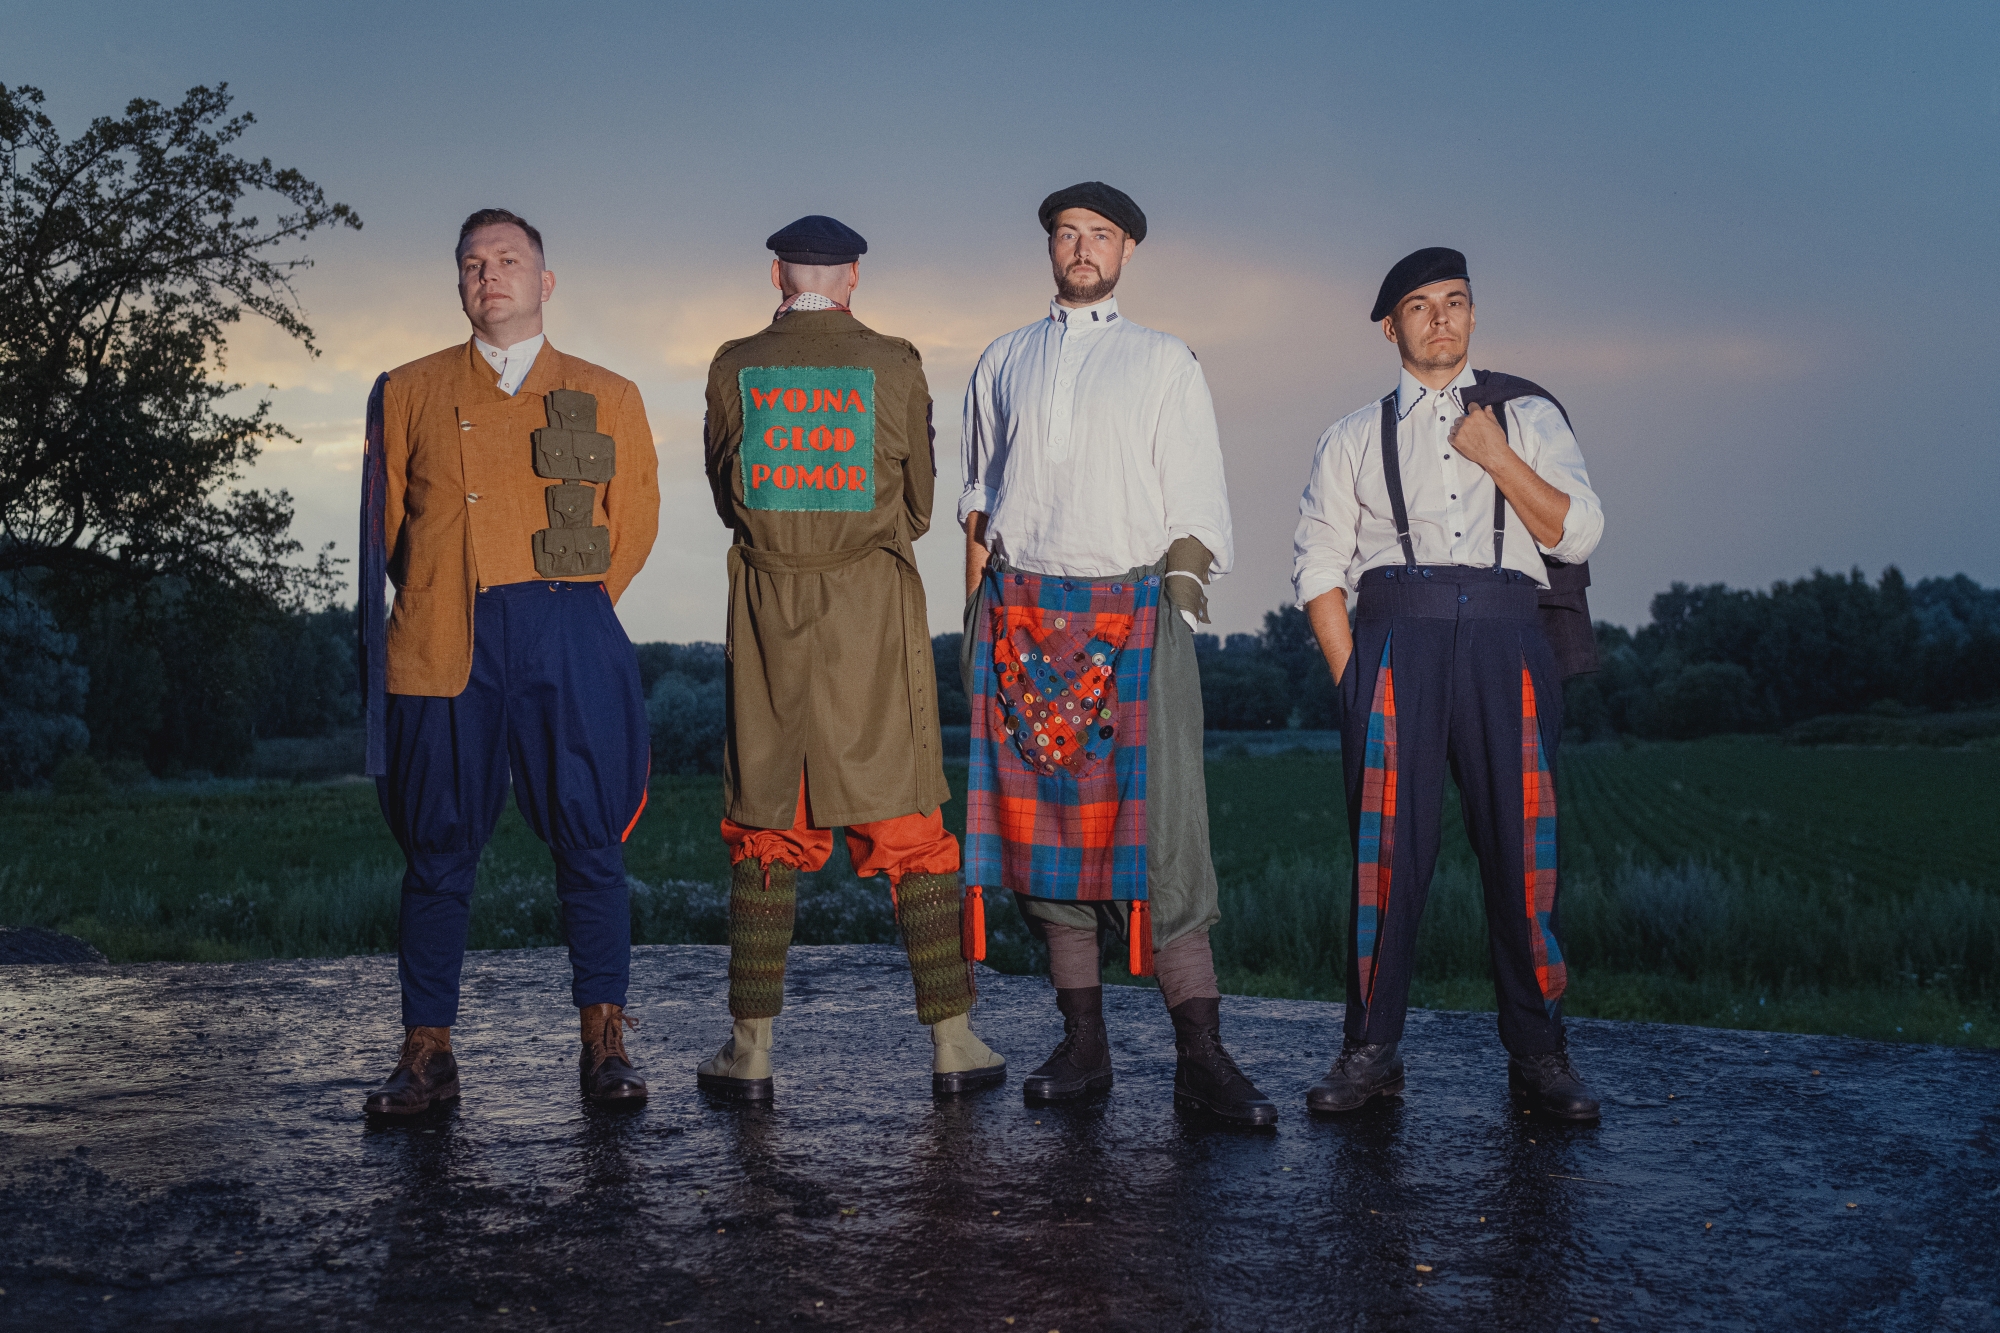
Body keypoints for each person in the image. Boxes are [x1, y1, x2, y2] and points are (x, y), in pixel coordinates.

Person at [959, 182, 1276, 1127]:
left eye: (1100, 235)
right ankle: (1084, 1044)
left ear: (1128, 249)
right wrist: (969, 620)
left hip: (1132, 620)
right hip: (1016, 614)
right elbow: (980, 499)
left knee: (1166, 838)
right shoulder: (1003, 358)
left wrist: (1170, 620)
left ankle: (1201, 1056)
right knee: (1043, 842)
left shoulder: (1164, 360)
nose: (1082, 247)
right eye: (1067, 234)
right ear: (1049, 248)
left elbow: (1198, 506)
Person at [693, 214, 1006, 1100]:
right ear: (856, 275)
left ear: (775, 276)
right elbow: (916, 506)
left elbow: (727, 496)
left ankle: (750, 1049)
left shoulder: (732, 365)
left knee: (765, 824)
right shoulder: (897, 363)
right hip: (871, 617)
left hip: (768, 619)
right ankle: (953, 1042)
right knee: (909, 826)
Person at [358, 208, 660, 1114]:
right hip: (446, 633)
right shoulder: (405, 388)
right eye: (473, 263)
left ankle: (604, 1042)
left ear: (544, 281)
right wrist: (441, 596)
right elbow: (385, 529)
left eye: (509, 260)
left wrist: (568, 608)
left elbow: (633, 522)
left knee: (589, 834)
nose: (490, 275)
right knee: (438, 842)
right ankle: (426, 1049)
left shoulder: (609, 391)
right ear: (459, 283)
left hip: (566, 624)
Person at [1291, 247, 1605, 1119]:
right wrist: (1356, 675)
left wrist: (1497, 455)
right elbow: (1317, 561)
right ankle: (1370, 1049)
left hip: (1510, 636)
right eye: (1422, 306)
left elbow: (1578, 534)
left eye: (1457, 302)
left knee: (1525, 853)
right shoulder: (1353, 434)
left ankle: (1540, 1055)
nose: (1442, 319)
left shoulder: (1529, 416)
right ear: (1391, 327)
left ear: (1473, 315)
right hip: (1397, 640)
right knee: (1385, 861)